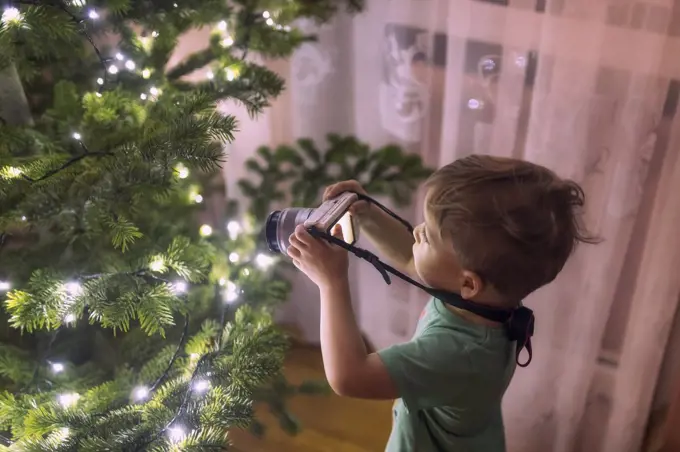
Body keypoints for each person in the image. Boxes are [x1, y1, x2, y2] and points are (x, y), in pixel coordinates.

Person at [286, 154, 598, 451]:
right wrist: (369, 215)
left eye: (429, 235)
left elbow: (349, 376)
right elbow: (413, 257)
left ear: (468, 283)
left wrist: (332, 283)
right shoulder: (492, 302)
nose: (417, 231)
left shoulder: (457, 352)